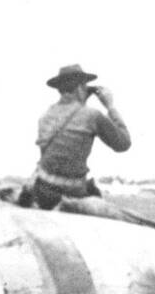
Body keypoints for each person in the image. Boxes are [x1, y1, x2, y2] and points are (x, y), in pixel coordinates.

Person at [25, 63, 131, 210]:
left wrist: (81, 98)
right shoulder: (92, 115)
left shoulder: (45, 116)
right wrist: (110, 107)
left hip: (43, 191)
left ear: (60, 89)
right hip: (73, 192)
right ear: (81, 87)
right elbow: (123, 144)